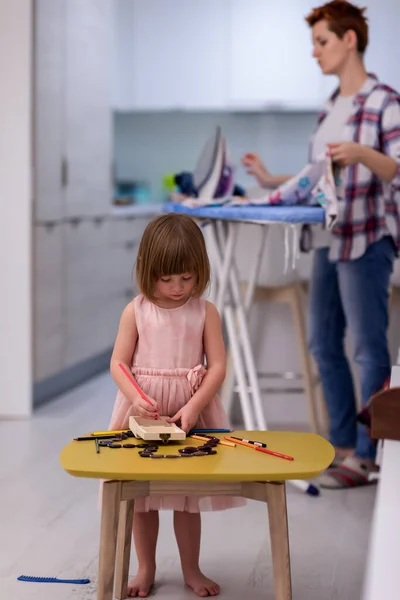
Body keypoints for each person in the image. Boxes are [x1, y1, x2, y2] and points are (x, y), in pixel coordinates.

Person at [242, 0, 400, 489]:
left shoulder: (384, 102)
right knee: (322, 343)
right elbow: (320, 179)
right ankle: (342, 448)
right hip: (329, 240)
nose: (315, 52)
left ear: (349, 40)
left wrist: (361, 152)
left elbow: (395, 167)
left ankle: (370, 457)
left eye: (322, 41)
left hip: (367, 238)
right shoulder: (330, 108)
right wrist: (272, 178)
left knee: (368, 349)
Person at [108, 213, 244, 597]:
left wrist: (196, 406)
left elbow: (217, 366)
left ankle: (190, 568)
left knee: (188, 499)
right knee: (142, 498)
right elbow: (118, 363)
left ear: (199, 270)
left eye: (186, 277)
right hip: (143, 413)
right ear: (147, 271)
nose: (177, 288)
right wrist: (136, 397)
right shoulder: (135, 311)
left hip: (190, 412)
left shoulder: (206, 312)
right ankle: (145, 567)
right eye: (165, 279)